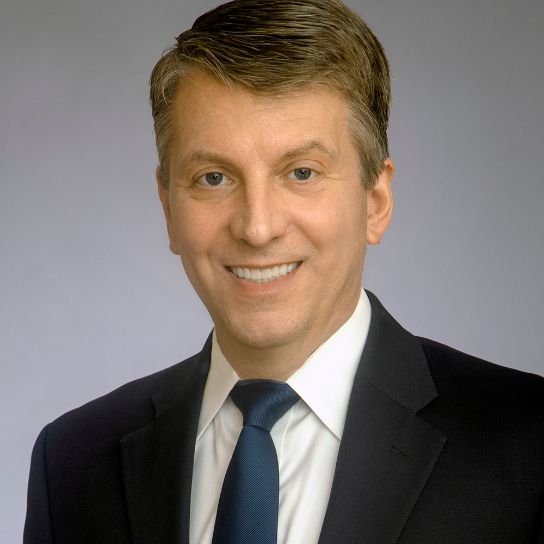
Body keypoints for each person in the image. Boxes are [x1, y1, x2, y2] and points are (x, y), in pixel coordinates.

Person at [24, 1, 544, 543]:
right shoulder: (73, 463)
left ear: (375, 200)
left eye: (301, 172)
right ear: (168, 207)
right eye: (214, 178)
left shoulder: (528, 445)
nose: (257, 228)